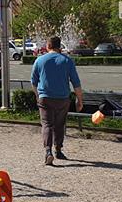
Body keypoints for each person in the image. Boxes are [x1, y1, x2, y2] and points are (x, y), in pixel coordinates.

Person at [30, 36, 84, 166]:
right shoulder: (67, 61)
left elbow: (33, 82)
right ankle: (58, 149)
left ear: (48, 46)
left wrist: (37, 95)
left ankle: (48, 152)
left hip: (45, 97)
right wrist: (79, 100)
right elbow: (76, 83)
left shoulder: (40, 60)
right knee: (60, 124)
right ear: (59, 46)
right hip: (63, 98)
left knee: (47, 124)